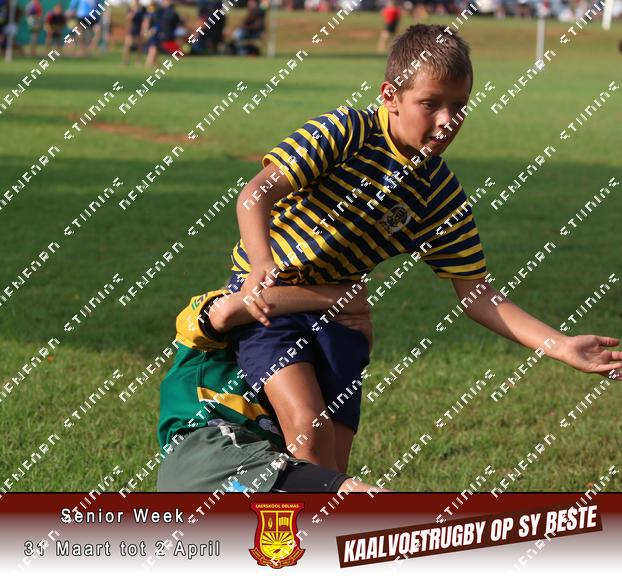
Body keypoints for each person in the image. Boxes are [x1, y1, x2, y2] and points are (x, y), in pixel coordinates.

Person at [223, 24, 622, 474]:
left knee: (333, 465)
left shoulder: (439, 194)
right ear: (390, 96)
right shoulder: (344, 132)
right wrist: (261, 263)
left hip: (341, 315)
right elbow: (254, 195)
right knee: (308, 432)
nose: (447, 120)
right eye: (430, 104)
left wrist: (562, 346)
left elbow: (477, 295)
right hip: (268, 304)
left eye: (459, 106)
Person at [157, 282, 387, 493]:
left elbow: (329, 468)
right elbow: (225, 312)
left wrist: (356, 340)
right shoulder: (217, 316)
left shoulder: (303, 391)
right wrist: (336, 297)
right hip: (208, 457)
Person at [122, 0, 145, 65]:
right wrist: (133, 11)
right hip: (131, 29)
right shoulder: (130, 9)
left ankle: (138, 61)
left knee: (139, 46)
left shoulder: (142, 9)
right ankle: (126, 61)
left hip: (139, 29)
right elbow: (128, 18)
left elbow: (145, 19)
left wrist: (143, 30)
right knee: (127, 45)